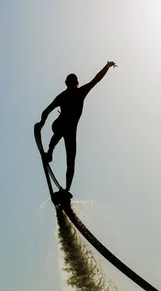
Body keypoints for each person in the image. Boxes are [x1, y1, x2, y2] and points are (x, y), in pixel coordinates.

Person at [35, 61, 117, 196]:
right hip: (61, 126)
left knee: (71, 160)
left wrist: (42, 122)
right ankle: (50, 153)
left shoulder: (73, 93)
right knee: (68, 154)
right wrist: (42, 122)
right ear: (74, 83)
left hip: (68, 131)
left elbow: (96, 79)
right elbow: (96, 79)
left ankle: (67, 189)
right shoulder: (74, 93)